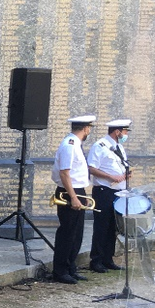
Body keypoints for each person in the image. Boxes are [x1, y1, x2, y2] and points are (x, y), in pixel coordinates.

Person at [51, 114, 94, 284]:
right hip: (70, 191)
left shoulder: (75, 143)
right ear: (85, 128)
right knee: (67, 233)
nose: (89, 130)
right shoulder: (69, 145)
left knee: (76, 233)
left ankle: (70, 267)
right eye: (89, 128)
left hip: (77, 190)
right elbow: (64, 173)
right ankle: (60, 271)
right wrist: (74, 198)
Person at [86, 119, 132, 272]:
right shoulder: (100, 146)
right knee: (102, 226)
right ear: (117, 131)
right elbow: (92, 168)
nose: (126, 135)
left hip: (119, 191)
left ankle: (108, 258)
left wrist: (125, 175)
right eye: (125, 132)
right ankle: (96, 260)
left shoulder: (119, 147)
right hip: (104, 191)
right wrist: (110, 177)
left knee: (113, 226)